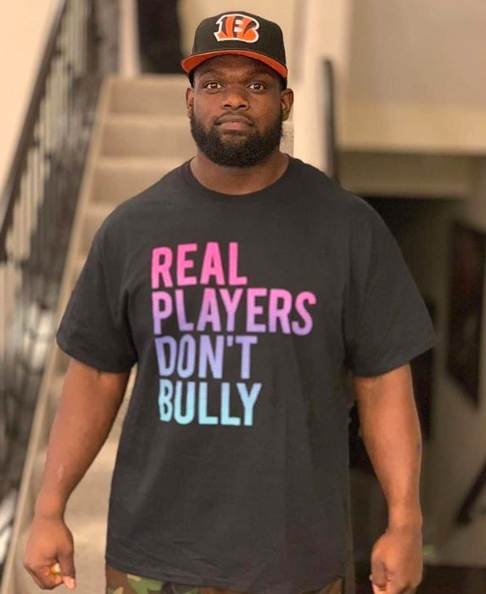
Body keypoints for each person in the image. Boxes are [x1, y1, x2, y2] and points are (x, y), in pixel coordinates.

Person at [22, 10, 436, 594]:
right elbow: (93, 376)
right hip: (152, 559)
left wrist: (405, 521)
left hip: (297, 563)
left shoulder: (349, 228)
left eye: (256, 85)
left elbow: (383, 384)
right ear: (189, 101)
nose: (234, 99)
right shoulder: (132, 229)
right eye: (214, 83)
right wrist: (48, 508)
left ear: (286, 103)